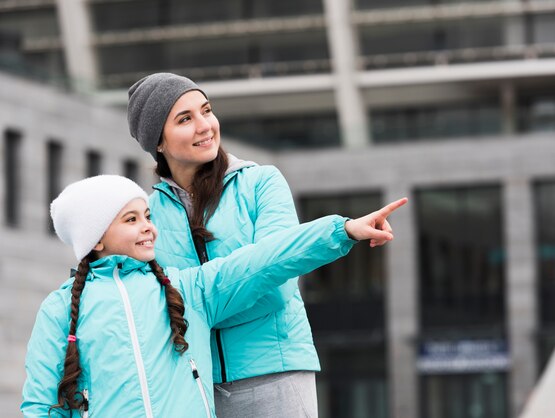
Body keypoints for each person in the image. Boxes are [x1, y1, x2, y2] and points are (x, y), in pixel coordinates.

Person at [21, 174, 407, 417]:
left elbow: (262, 261)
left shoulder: (187, 289)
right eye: (131, 219)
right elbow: (42, 404)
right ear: (97, 237)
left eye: (148, 216)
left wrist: (342, 231)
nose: (148, 228)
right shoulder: (59, 309)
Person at [127, 73, 396, 417]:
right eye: (185, 119)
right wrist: (237, 278)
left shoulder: (261, 183)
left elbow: (277, 280)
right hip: (195, 386)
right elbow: (160, 308)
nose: (204, 126)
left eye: (206, 111)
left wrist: (201, 303)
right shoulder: (149, 217)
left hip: (275, 374)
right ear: (158, 143)